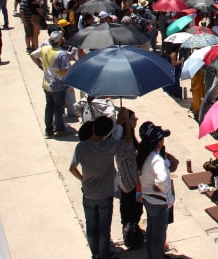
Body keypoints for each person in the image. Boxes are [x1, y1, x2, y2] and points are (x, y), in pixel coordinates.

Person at [69, 114, 125, 259]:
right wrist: (119, 122)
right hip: (105, 195)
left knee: (91, 227)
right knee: (104, 228)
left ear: (93, 128)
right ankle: (104, 255)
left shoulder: (81, 147)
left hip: (88, 193)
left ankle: (95, 253)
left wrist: (83, 179)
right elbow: (123, 140)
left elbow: (72, 168)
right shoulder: (110, 147)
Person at [137, 122, 173, 259]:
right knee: (158, 236)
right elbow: (162, 179)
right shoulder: (156, 160)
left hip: (148, 200)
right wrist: (159, 188)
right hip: (158, 202)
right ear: (158, 142)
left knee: (151, 231)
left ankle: (151, 255)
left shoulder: (143, 155)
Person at [30, 30, 71, 137]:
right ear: (59, 41)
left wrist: (40, 65)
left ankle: (49, 130)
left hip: (46, 84)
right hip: (58, 86)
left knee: (49, 107)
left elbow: (33, 55)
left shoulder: (45, 49)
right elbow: (66, 70)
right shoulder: (61, 54)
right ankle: (60, 129)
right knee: (58, 108)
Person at [115, 109, 144, 250]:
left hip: (133, 180)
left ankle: (133, 230)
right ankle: (130, 234)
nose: (136, 121)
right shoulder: (121, 136)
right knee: (130, 210)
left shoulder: (129, 135)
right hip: (128, 181)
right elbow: (127, 143)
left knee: (135, 209)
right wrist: (125, 120)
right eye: (133, 119)